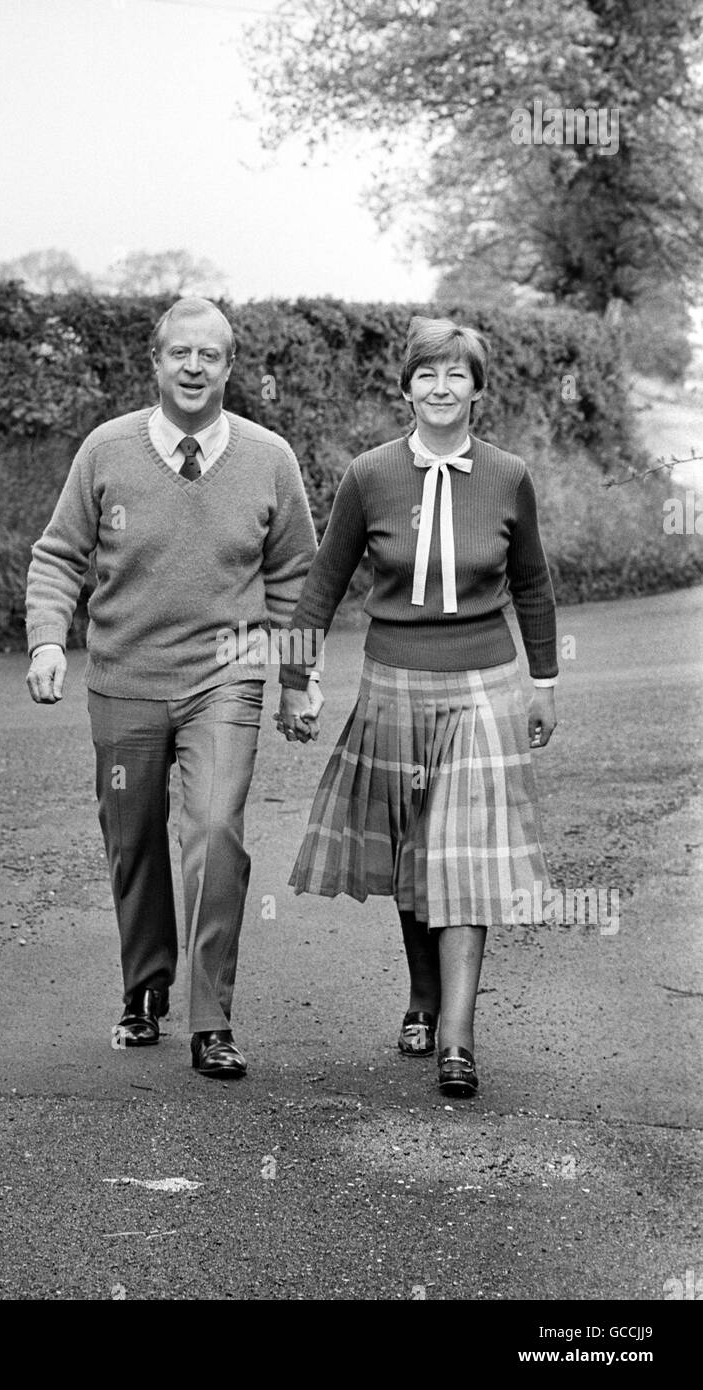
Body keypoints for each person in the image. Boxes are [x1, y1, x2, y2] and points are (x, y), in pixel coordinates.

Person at [25, 298, 321, 1079]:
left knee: (216, 829)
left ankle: (211, 1020)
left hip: (226, 676)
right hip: (124, 677)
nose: (194, 368)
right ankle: (145, 985)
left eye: (210, 356)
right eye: (179, 354)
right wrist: (49, 640)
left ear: (230, 368)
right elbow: (58, 555)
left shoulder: (268, 458)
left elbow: (295, 576)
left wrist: (296, 679)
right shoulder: (106, 450)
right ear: (154, 363)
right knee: (133, 841)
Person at [276, 314, 558, 1098]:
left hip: (484, 687)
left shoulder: (508, 476)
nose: (441, 387)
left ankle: (458, 1038)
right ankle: (423, 997)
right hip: (393, 683)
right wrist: (296, 678)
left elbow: (532, 583)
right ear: (405, 387)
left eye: (456, 374)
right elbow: (324, 586)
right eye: (426, 374)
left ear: (478, 390)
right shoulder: (370, 475)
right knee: (412, 851)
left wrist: (545, 681)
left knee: (463, 854)